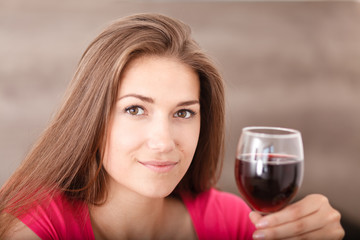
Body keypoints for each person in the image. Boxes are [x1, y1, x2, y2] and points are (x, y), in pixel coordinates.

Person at [0, 13, 344, 240]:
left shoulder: (231, 220)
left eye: (183, 113)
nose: (164, 142)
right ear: (91, 117)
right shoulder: (36, 226)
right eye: (135, 109)